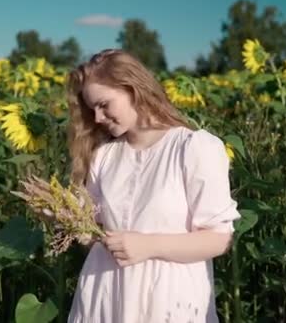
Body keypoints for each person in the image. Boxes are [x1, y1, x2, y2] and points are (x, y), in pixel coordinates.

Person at [65, 49, 241, 323]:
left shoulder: (193, 148)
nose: (97, 118)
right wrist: (68, 221)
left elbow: (219, 238)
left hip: (169, 300)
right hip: (105, 295)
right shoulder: (105, 157)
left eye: (104, 104)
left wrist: (148, 245)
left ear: (133, 89)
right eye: (92, 109)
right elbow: (94, 238)